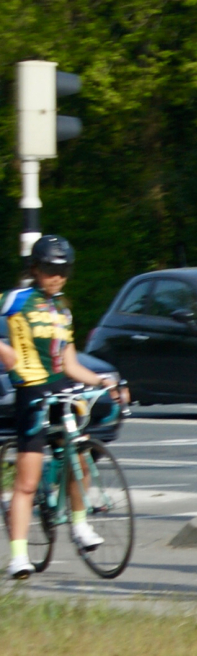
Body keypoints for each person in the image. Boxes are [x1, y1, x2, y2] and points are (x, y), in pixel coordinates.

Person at [3, 236, 128, 580]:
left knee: (80, 457)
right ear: (34, 269)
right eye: (49, 269)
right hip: (30, 388)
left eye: (63, 270)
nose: (56, 276)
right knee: (26, 482)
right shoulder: (15, 299)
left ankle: (79, 523)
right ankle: (18, 556)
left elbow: (70, 363)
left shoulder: (62, 310)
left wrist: (103, 381)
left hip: (60, 387)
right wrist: (6, 354)